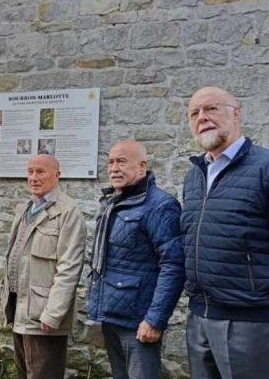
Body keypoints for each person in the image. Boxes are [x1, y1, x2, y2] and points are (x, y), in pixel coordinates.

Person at [182, 86, 269, 379]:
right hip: (200, 318)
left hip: (252, 323)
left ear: (236, 114)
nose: (202, 117)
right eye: (194, 113)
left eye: (211, 109)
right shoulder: (194, 175)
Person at [87, 140, 183, 379]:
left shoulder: (160, 205)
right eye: (110, 162)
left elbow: (174, 264)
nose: (114, 168)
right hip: (112, 314)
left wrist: (155, 319)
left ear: (141, 167)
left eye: (121, 161)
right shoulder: (113, 203)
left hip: (139, 322)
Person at [2, 154, 86, 379]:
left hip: (44, 315)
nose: (33, 177)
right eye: (30, 172)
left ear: (57, 175)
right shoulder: (24, 209)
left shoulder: (68, 212)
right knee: (23, 374)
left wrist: (53, 313)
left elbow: (70, 267)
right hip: (20, 310)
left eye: (40, 172)